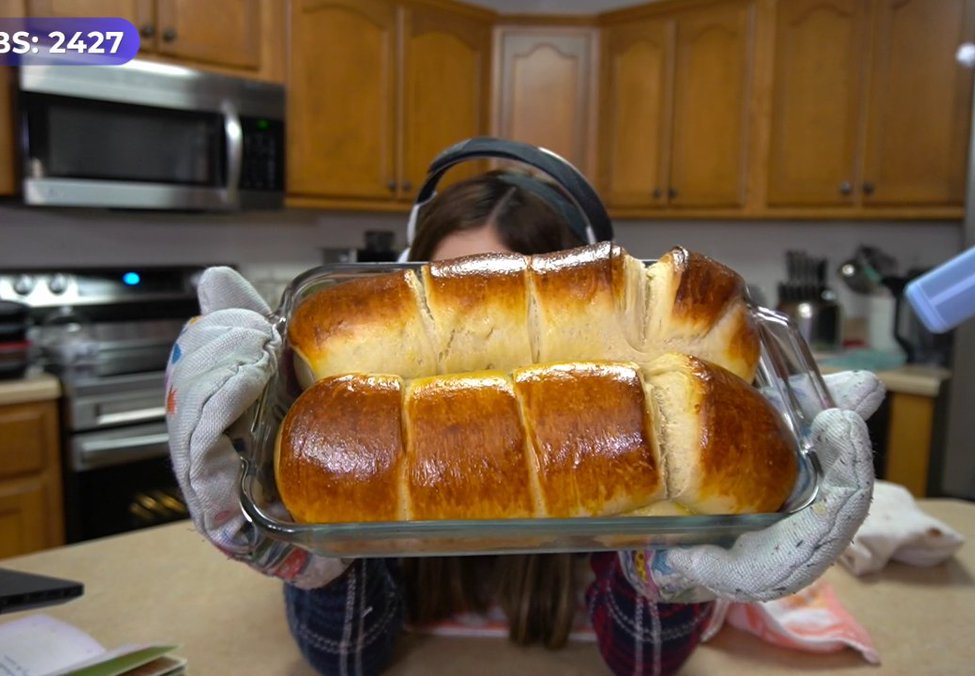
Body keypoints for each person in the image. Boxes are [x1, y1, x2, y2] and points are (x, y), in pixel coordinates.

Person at [165, 169, 883, 676]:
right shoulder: (360, 461)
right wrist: (318, 561)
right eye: (455, 294)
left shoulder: (635, 481)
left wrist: (671, 564)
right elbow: (345, 660)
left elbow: (640, 664)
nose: (476, 376)